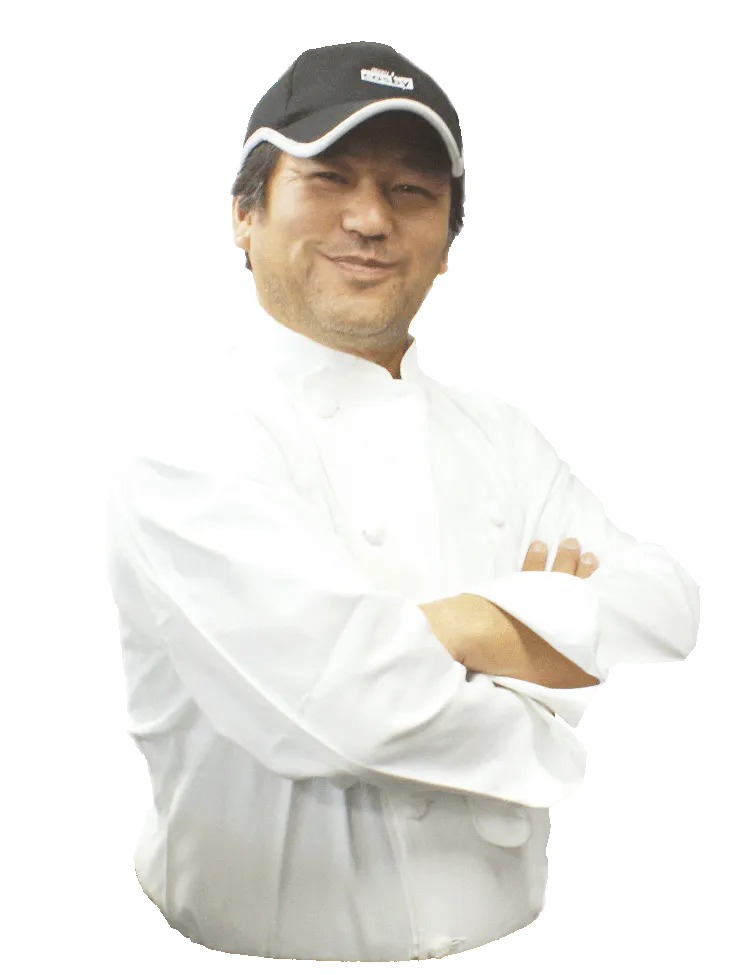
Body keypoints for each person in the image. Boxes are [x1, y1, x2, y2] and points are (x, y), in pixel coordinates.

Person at [111, 44, 703, 963]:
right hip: (249, 949)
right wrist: (545, 662)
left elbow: (670, 608)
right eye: (328, 178)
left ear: (447, 233)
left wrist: (452, 628)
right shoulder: (187, 418)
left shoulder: (498, 431)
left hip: (514, 933)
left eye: (410, 191)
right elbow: (339, 709)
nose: (369, 219)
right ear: (245, 213)